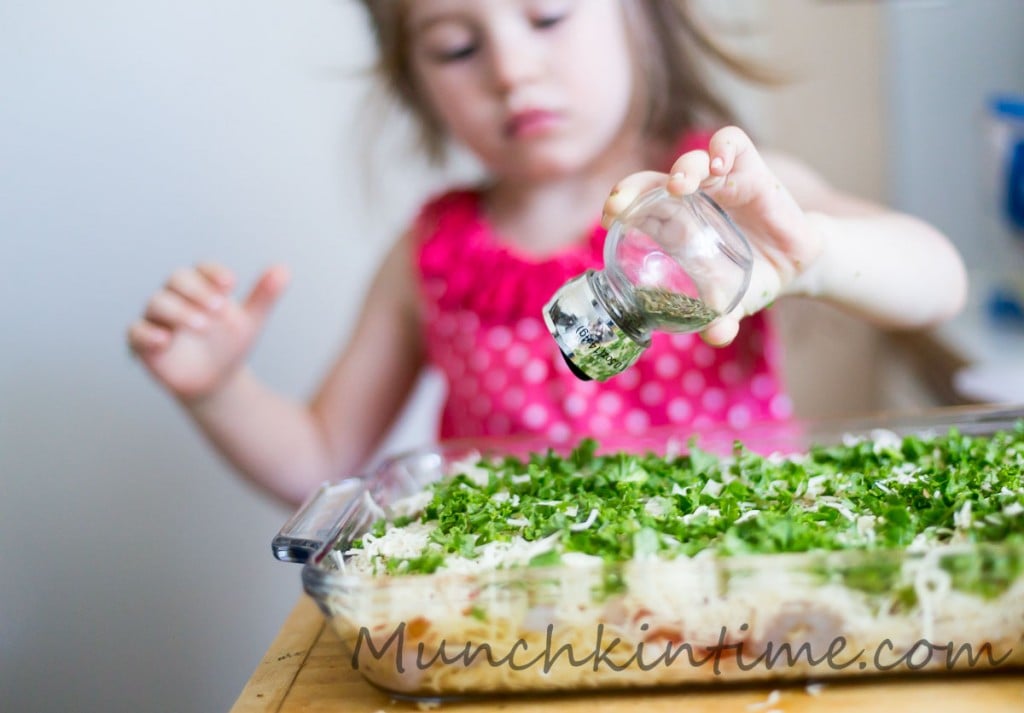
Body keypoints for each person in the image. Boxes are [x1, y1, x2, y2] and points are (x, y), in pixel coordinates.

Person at [126, 0, 967, 506]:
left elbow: (940, 280)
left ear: (639, 13)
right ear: (414, 79)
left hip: (735, 579)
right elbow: (320, 458)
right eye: (458, 46)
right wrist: (219, 390)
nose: (512, 70)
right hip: (522, 615)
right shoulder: (431, 255)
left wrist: (814, 254)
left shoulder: (726, 194)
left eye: (548, 14)